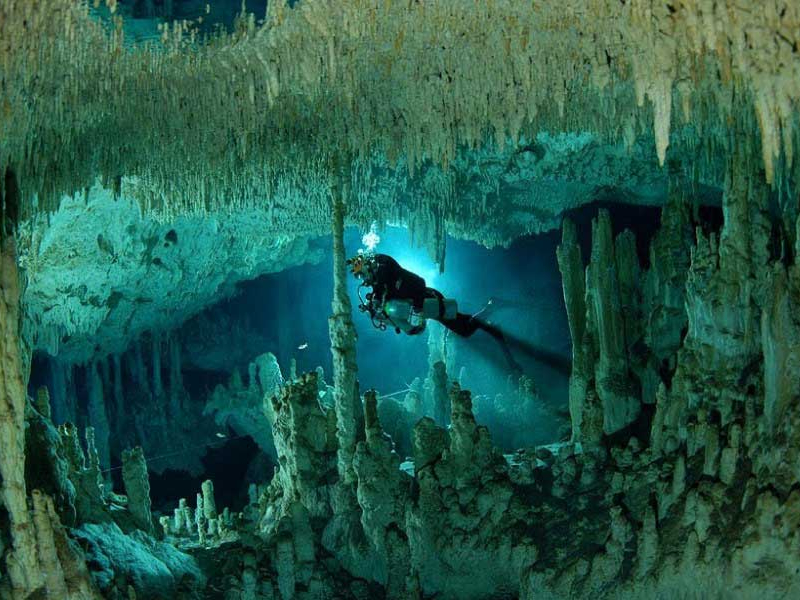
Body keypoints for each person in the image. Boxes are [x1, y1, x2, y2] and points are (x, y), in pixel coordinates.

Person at [347, 252, 522, 372]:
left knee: (465, 329)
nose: (363, 280)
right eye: (360, 278)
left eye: (362, 275)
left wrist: (415, 309)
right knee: (463, 325)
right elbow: (386, 307)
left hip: (429, 299)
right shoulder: (380, 285)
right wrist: (373, 309)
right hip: (424, 307)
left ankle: (491, 309)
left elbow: (409, 280)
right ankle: (490, 318)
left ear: (367, 265)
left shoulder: (386, 268)